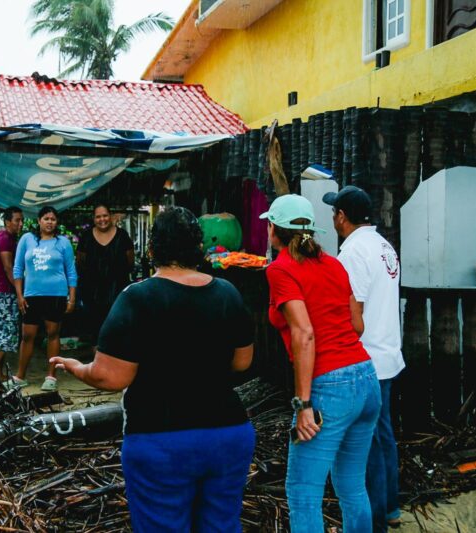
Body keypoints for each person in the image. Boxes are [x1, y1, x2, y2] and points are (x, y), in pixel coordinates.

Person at [51, 207, 256, 533]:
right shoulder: (227, 293)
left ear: (152, 249)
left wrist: (79, 369)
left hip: (162, 440)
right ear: (198, 249)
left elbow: (111, 376)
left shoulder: (137, 298)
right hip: (227, 436)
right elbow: (242, 361)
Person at [261, 194, 380, 533]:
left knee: (303, 492)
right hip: (366, 379)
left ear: (273, 230)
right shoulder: (334, 264)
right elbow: (357, 326)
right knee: (352, 486)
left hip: (329, 387)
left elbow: (304, 335)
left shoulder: (280, 269)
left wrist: (304, 404)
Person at [323, 185, 405, 532]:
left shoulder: (353, 253)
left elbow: (352, 313)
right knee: (383, 435)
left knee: (366, 443)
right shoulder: (383, 246)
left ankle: (374, 520)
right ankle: (390, 506)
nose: (332, 218)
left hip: (366, 358)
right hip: (387, 353)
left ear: (341, 217)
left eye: (333, 213)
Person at [12, 205, 77, 392]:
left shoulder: (63, 243)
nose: (50, 222)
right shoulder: (27, 239)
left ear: (57, 223)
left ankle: (51, 377)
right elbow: (18, 269)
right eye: (46, 218)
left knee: (53, 334)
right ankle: (20, 376)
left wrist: (71, 298)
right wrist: (19, 295)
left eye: (53, 219)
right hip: (32, 295)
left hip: (56, 295)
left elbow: (71, 272)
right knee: (27, 336)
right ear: (39, 220)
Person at [76, 204, 134, 343]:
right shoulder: (86, 237)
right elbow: (80, 262)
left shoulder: (123, 236)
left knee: (117, 330)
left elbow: (130, 263)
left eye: (105, 215)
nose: (102, 219)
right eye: (98, 216)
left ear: (111, 216)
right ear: (94, 218)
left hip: (117, 292)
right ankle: (97, 362)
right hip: (92, 294)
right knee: (96, 332)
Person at [0, 206, 23, 383]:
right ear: (7, 221)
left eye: (21, 220)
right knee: (6, 335)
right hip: (5, 293)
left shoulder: (2, 237)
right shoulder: (5, 240)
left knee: (1, 334)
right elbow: (8, 268)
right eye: (17, 220)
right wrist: (19, 292)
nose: (20, 224)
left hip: (1, 293)